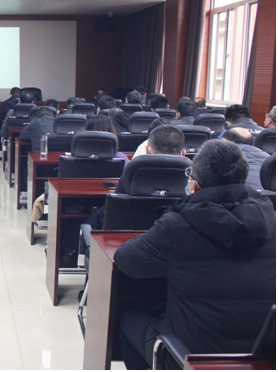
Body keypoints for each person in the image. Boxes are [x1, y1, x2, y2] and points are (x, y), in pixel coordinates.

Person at [115, 140, 275, 370]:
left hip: (190, 357)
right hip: (262, 357)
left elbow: (126, 260)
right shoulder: (272, 219)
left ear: (195, 186)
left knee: (126, 318)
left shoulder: (178, 224)